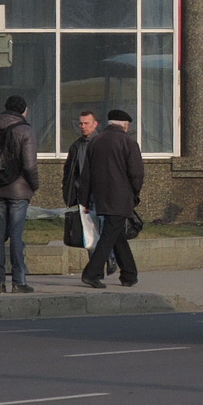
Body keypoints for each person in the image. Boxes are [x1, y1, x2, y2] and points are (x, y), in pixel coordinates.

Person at [79, 109, 144, 289]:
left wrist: (85, 199)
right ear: (124, 125)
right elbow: (136, 174)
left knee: (116, 234)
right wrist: (135, 193)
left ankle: (129, 274)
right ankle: (91, 273)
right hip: (121, 197)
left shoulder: (95, 141)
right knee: (109, 235)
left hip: (101, 197)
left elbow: (86, 174)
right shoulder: (128, 142)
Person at [0, 94, 40, 293]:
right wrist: (34, 185)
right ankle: (19, 281)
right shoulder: (25, 130)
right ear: (24, 111)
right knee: (16, 234)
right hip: (19, 189)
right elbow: (29, 165)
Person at [62, 111, 116, 277]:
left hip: (104, 195)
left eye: (86, 123)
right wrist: (70, 192)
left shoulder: (104, 143)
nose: (83, 127)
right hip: (84, 196)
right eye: (81, 124)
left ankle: (110, 257)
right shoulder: (77, 146)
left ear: (95, 124)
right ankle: (96, 269)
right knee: (90, 234)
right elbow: (71, 171)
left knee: (106, 230)